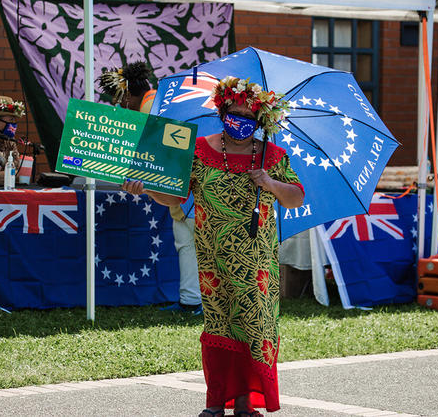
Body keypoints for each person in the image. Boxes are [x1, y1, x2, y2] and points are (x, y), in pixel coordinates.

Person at [122, 76, 304, 417]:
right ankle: (216, 402)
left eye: (248, 117)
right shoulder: (200, 151)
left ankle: (247, 403)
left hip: (257, 264)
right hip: (213, 260)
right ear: (222, 112)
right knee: (219, 326)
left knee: (253, 325)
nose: (240, 122)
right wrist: (145, 189)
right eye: (233, 114)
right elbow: (175, 195)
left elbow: (295, 198)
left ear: (261, 120)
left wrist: (270, 181)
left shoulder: (272, 155)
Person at [98, 62, 202, 315]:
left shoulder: (149, 106)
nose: (121, 106)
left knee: (193, 245)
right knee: (187, 245)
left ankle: (197, 302)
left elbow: (156, 155)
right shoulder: (158, 100)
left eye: (121, 99)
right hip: (187, 189)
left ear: (129, 94)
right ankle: (191, 301)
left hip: (190, 190)